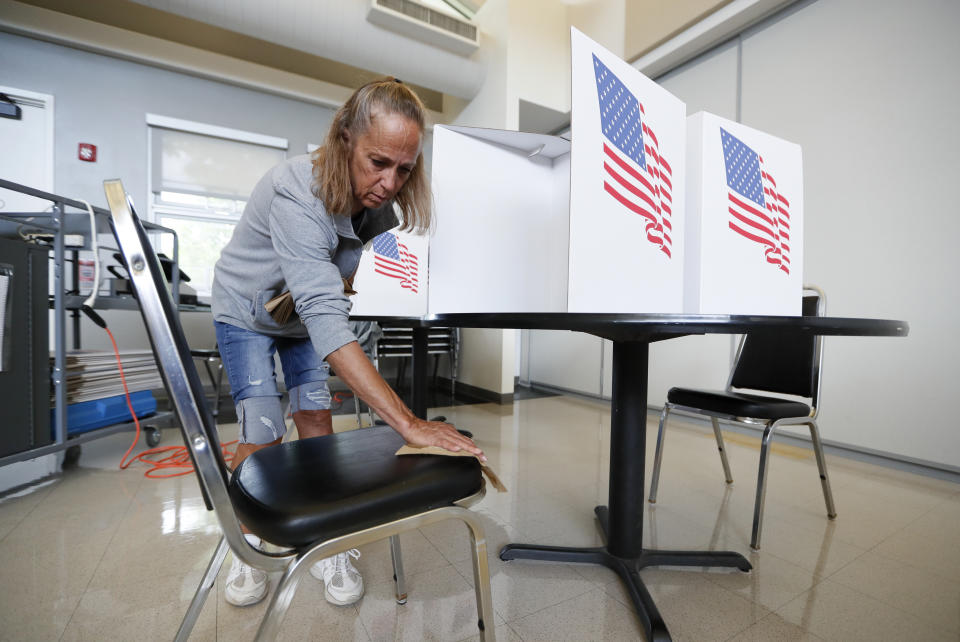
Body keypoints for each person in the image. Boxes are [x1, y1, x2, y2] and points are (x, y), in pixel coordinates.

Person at [210, 78, 484, 608]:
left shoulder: (379, 207)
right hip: (246, 311)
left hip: (297, 319)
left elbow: (342, 291)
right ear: (344, 139)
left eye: (404, 169)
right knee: (264, 425)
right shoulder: (295, 190)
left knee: (315, 414)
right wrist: (407, 423)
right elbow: (321, 310)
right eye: (378, 161)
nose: (389, 183)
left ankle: (324, 540)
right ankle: (243, 546)